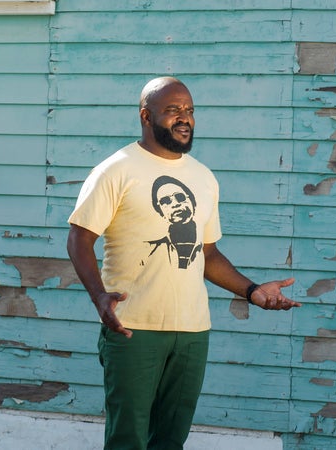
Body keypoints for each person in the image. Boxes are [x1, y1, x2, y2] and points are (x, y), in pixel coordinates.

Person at [66, 76, 301, 450]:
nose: (184, 118)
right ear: (146, 116)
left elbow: (206, 254)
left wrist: (253, 291)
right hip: (133, 327)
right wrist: (99, 297)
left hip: (192, 330)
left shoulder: (203, 177)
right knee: (128, 439)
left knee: (171, 440)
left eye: (189, 110)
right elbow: (80, 238)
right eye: (173, 110)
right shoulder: (116, 170)